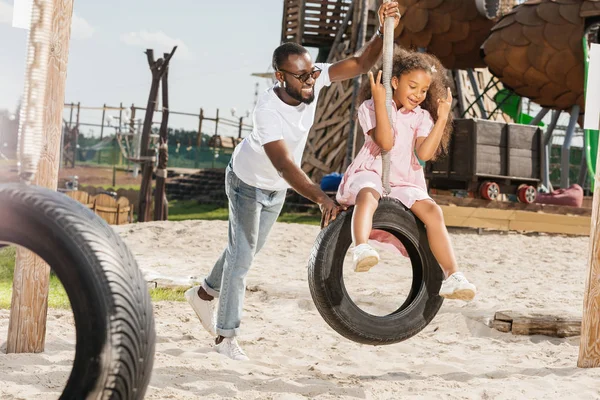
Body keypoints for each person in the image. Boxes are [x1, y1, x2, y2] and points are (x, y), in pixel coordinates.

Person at [184, 2, 402, 361]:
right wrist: (320, 197)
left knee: (247, 249)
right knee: (241, 259)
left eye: (312, 74)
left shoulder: (313, 81)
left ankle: (205, 293)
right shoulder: (267, 112)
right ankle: (226, 338)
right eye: (300, 77)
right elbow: (285, 165)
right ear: (279, 77)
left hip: (277, 189)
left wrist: (384, 28)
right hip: (246, 183)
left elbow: (362, 63)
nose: (310, 81)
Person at [336, 48, 477, 301]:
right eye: (413, 86)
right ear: (394, 82)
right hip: (372, 171)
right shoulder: (369, 107)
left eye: (424, 90)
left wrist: (442, 119)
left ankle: (452, 275)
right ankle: (360, 247)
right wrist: (381, 102)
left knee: (434, 212)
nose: (418, 95)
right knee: (368, 195)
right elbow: (385, 143)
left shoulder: (422, 116)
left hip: (403, 179)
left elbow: (425, 153)